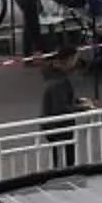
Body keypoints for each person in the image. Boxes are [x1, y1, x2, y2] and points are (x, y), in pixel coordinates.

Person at [39, 37, 90, 168]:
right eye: (75, 59)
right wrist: (81, 108)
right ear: (69, 60)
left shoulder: (55, 76)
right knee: (65, 161)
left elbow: (61, 100)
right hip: (59, 128)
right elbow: (60, 108)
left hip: (53, 127)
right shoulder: (59, 81)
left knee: (61, 158)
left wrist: (77, 101)